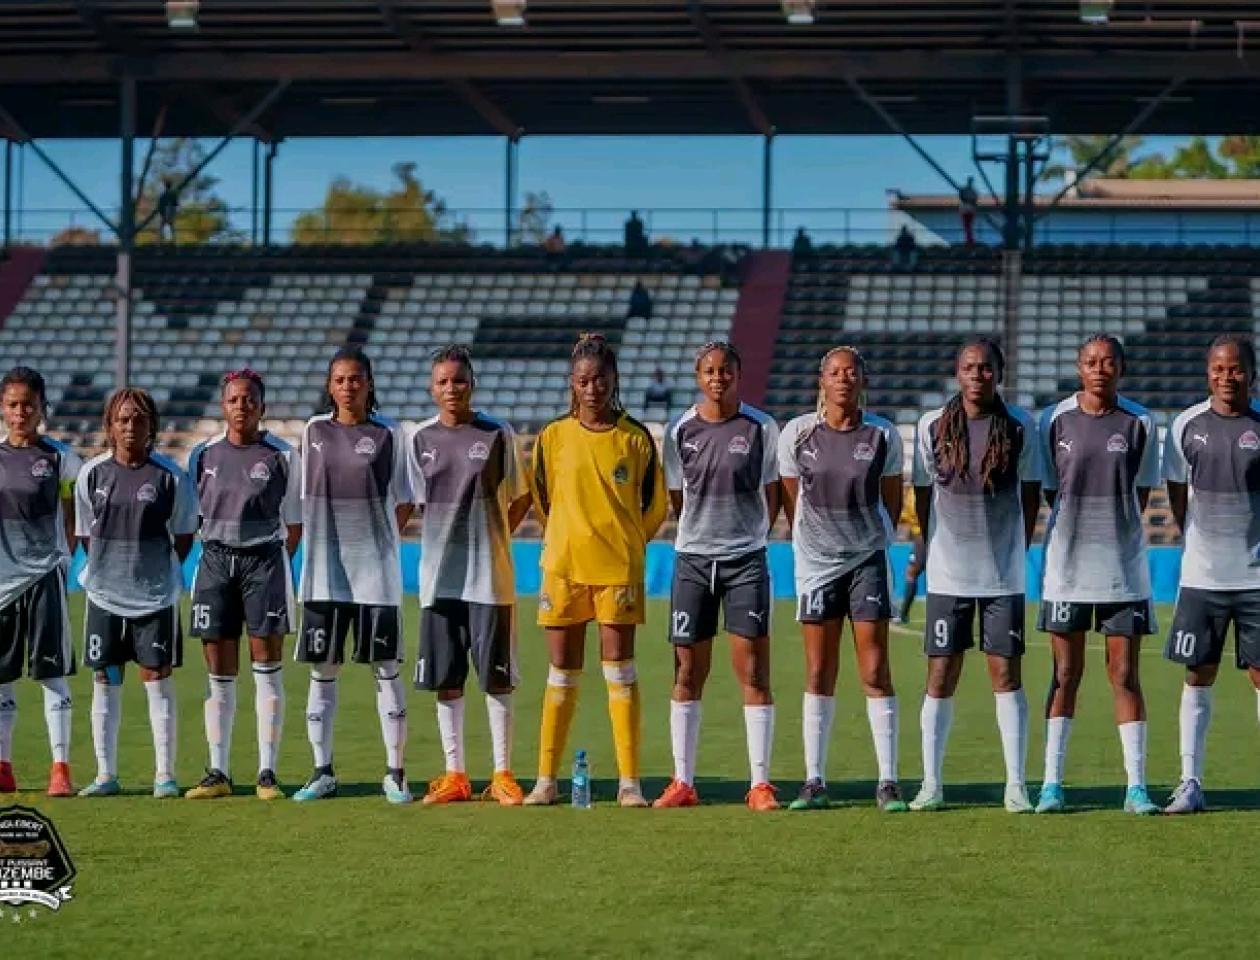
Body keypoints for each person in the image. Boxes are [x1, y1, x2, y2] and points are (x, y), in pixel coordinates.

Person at [524, 333, 667, 807]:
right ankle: (546, 780)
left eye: (600, 379)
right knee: (561, 672)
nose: (592, 389)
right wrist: (566, 535)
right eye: (584, 380)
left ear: (614, 380)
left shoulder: (636, 437)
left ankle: (630, 783)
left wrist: (627, 543)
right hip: (564, 568)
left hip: (617, 572)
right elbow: (543, 499)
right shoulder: (552, 437)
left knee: (620, 672)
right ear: (572, 382)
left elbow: (655, 505)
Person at [909, 337, 1041, 813]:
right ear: (957, 372)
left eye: (986, 368)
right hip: (948, 577)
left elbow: (1030, 495)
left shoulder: (1022, 426)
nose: (978, 375)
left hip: (1003, 578)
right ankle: (931, 783)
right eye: (969, 367)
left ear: (998, 373)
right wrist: (934, 547)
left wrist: (1013, 551)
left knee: (1006, 674)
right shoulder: (932, 426)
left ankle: (1016, 784)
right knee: (941, 674)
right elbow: (923, 496)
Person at [777, 347, 907, 812]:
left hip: (866, 562)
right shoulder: (797, 433)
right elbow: (793, 503)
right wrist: (817, 541)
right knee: (818, 671)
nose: (843, 379)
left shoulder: (883, 435)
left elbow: (892, 501)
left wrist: (867, 540)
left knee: (874, 670)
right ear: (822, 380)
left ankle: (888, 781)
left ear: (863, 380)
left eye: (851, 372)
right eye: (835, 372)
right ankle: (814, 780)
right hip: (816, 566)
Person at [653, 342, 781, 812]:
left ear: (738, 373)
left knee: (752, 670)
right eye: (709, 371)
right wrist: (705, 535)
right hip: (692, 561)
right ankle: (683, 781)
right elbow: (676, 496)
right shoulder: (679, 430)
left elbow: (775, 494)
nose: (717, 378)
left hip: (745, 560)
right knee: (687, 671)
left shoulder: (761, 427)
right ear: (697, 376)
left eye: (725, 370)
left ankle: (761, 784)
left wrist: (744, 537)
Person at [1035, 334, 1160, 815]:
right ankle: (1051, 783)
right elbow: (1052, 491)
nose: (1100, 369)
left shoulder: (1140, 422)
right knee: (1065, 673)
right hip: (1066, 570)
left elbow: (1142, 492)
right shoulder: (1054, 420)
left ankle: (1136, 787)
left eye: (1109, 362)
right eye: (1091, 361)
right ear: (1078, 366)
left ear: (1121, 368)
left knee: (1125, 675)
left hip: (1123, 574)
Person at [407, 345, 531, 807]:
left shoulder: (497, 433)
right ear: (431, 387)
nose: (451, 388)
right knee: (447, 677)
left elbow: (520, 498)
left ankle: (501, 773)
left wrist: (492, 537)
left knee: (497, 677)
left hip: (489, 578)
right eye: (442, 381)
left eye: (458, 380)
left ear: (471, 383)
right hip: (438, 578)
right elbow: (416, 502)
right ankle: (455, 773)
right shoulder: (418, 439)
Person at [293, 346, 413, 804]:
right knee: (323, 670)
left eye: (356, 378)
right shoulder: (313, 430)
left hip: (375, 577)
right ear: (329, 386)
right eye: (340, 379)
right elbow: (303, 497)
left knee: (386, 668)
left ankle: (395, 771)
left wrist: (376, 544)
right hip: (324, 574)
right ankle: (322, 771)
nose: (348, 386)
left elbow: (403, 500)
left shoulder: (390, 434)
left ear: (369, 383)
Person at [183, 369, 301, 801]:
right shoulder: (202, 455)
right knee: (219, 674)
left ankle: (267, 772)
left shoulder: (282, 455)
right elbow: (191, 515)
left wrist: (271, 565)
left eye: (249, 400)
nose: (241, 406)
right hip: (214, 562)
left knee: (266, 668)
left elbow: (294, 522)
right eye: (234, 399)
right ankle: (219, 771)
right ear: (223, 405)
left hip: (264, 563)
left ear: (262, 407)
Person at [76, 388, 199, 798]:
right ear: (110, 425)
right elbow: (83, 534)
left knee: (157, 681)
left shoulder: (170, 476)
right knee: (104, 680)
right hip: (104, 596)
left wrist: (154, 572)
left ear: (151, 427)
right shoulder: (91, 474)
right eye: (123, 419)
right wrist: (109, 570)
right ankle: (105, 774)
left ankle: (164, 775)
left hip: (155, 597)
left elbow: (183, 535)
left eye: (139, 420)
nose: (131, 427)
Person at [1161, 335, 1260, 814]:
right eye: (1219, 368)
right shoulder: (1186, 425)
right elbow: (1177, 493)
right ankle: (1190, 781)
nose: (1227, 376)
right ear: (1208, 373)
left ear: (1251, 373)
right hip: (1203, 577)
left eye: (1236, 368)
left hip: (1257, 578)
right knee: (1198, 675)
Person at [0, 367, 81, 797]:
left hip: (45, 578)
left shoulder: (60, 459)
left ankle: (61, 767)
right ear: (2, 408)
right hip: (2, 585)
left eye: (27, 405)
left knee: (51, 673)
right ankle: (3, 766)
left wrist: (61, 560)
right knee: (1, 677)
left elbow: (73, 516)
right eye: (12, 405)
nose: (20, 413)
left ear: (41, 408)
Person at [895, 493, 926, 625]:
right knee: (911, 572)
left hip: (926, 535)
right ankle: (903, 613)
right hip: (920, 537)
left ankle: (903, 613)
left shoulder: (919, 491)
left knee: (911, 572)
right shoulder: (910, 493)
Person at [157, 178, 179, 244]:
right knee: (171, 227)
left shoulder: (163, 195)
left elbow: (159, 206)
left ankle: (161, 242)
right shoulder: (173, 195)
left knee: (162, 227)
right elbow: (176, 204)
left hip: (164, 213)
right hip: (170, 213)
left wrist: (162, 213)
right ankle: (172, 242)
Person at [958, 177, 978, 246]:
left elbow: (961, 197)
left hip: (966, 209)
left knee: (967, 226)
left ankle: (969, 240)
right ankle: (969, 240)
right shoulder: (973, 191)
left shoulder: (965, 190)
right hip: (969, 209)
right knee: (968, 226)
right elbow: (974, 200)